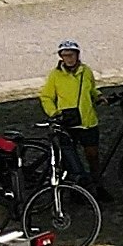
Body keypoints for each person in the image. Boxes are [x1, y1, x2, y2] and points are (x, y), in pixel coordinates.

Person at [38, 39, 102, 180]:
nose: (69, 58)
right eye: (65, 55)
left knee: (93, 156)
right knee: (69, 159)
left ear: (77, 55)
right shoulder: (55, 75)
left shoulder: (86, 71)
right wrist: (54, 113)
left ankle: (97, 183)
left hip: (88, 121)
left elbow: (91, 89)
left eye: (71, 55)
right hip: (67, 123)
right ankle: (75, 185)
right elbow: (46, 96)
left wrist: (98, 96)